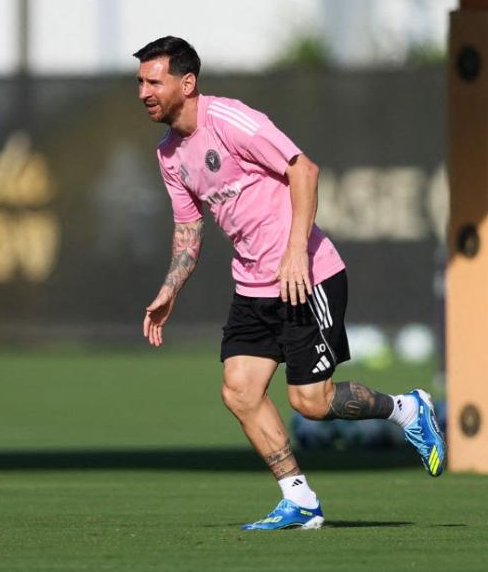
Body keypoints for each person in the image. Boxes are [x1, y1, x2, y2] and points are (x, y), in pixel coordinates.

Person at [134, 36, 445, 531]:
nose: (145, 92)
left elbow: (304, 169)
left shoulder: (230, 119)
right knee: (239, 391)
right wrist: (171, 288)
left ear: (187, 83)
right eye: (141, 83)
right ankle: (299, 499)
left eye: (155, 81)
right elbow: (189, 228)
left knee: (311, 403)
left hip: (308, 278)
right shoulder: (170, 154)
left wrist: (296, 250)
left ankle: (408, 409)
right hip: (252, 287)